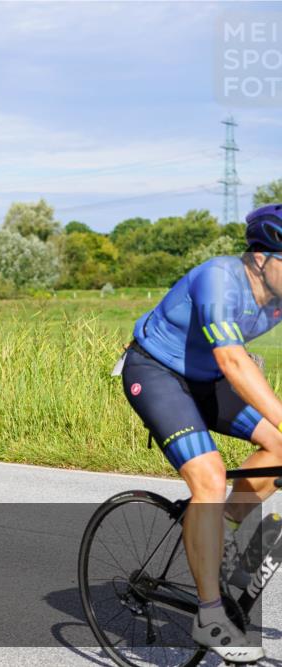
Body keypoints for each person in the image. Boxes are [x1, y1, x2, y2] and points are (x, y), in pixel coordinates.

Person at [121, 203, 282, 662]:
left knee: (278, 447)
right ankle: (210, 615)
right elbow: (233, 362)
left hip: (206, 378)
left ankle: (222, 532)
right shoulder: (219, 278)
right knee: (209, 476)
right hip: (156, 372)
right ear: (259, 259)